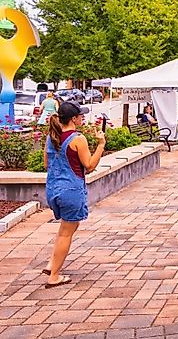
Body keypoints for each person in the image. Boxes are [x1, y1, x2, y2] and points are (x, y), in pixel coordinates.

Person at [43, 101, 106, 288]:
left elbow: (47, 164)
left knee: (67, 227)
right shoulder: (78, 139)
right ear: (73, 119)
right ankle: (54, 276)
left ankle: (51, 263)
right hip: (71, 190)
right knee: (66, 233)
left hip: (53, 189)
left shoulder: (51, 137)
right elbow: (90, 165)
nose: (82, 117)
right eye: (80, 115)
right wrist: (101, 144)